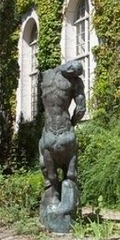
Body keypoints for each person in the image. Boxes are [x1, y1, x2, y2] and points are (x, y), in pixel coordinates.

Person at [38, 60, 86, 231]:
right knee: (70, 173)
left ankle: (56, 202)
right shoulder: (75, 82)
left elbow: (40, 105)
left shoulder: (45, 75)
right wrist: (72, 123)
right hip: (65, 130)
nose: (75, 69)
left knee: (51, 173)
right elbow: (81, 109)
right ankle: (61, 208)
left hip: (49, 132)